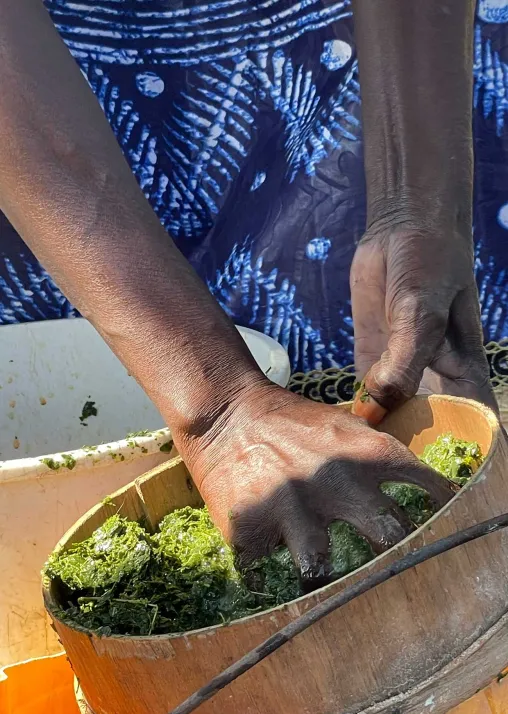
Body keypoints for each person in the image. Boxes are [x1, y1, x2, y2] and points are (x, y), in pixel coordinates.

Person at [0, 0, 501, 587]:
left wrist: (417, 209)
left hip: (378, 72)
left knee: (421, 346)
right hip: (53, 150)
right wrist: (218, 410)